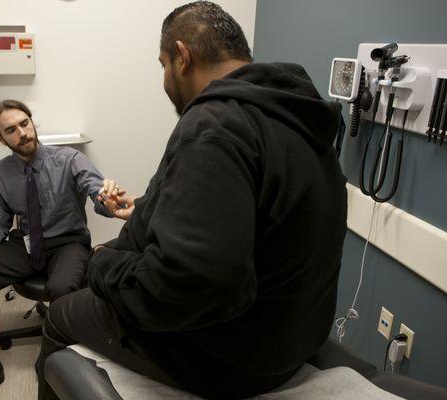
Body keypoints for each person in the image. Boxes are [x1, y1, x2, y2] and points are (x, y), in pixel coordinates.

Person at [38, 2, 347, 399]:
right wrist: (151, 207)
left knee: (61, 314)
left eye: (163, 64)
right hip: (291, 338)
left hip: (232, 360)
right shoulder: (291, 115)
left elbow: (188, 286)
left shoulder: (214, 123)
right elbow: (250, 207)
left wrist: (102, 263)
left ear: (182, 57)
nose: (165, 78)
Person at [0, 99, 120, 400]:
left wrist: (107, 201)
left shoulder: (68, 159)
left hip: (68, 240)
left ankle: (55, 359)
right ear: (2, 139)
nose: (22, 133)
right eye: (11, 130)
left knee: (63, 286)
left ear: (32, 122)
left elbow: (97, 193)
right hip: (27, 242)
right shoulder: (2, 173)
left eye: (25, 123)